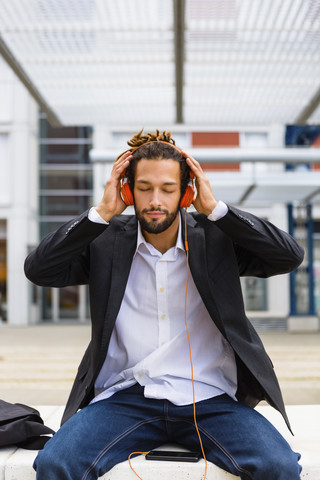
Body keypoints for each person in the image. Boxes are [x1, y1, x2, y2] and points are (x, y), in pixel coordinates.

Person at [25, 129, 304, 480]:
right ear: (128, 190)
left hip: (210, 399)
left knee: (278, 466)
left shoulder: (217, 238)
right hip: (125, 399)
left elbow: (289, 256)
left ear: (186, 192)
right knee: (55, 463)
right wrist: (101, 212)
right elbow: (39, 269)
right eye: (144, 188)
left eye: (168, 189)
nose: (155, 200)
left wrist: (216, 210)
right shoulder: (105, 241)